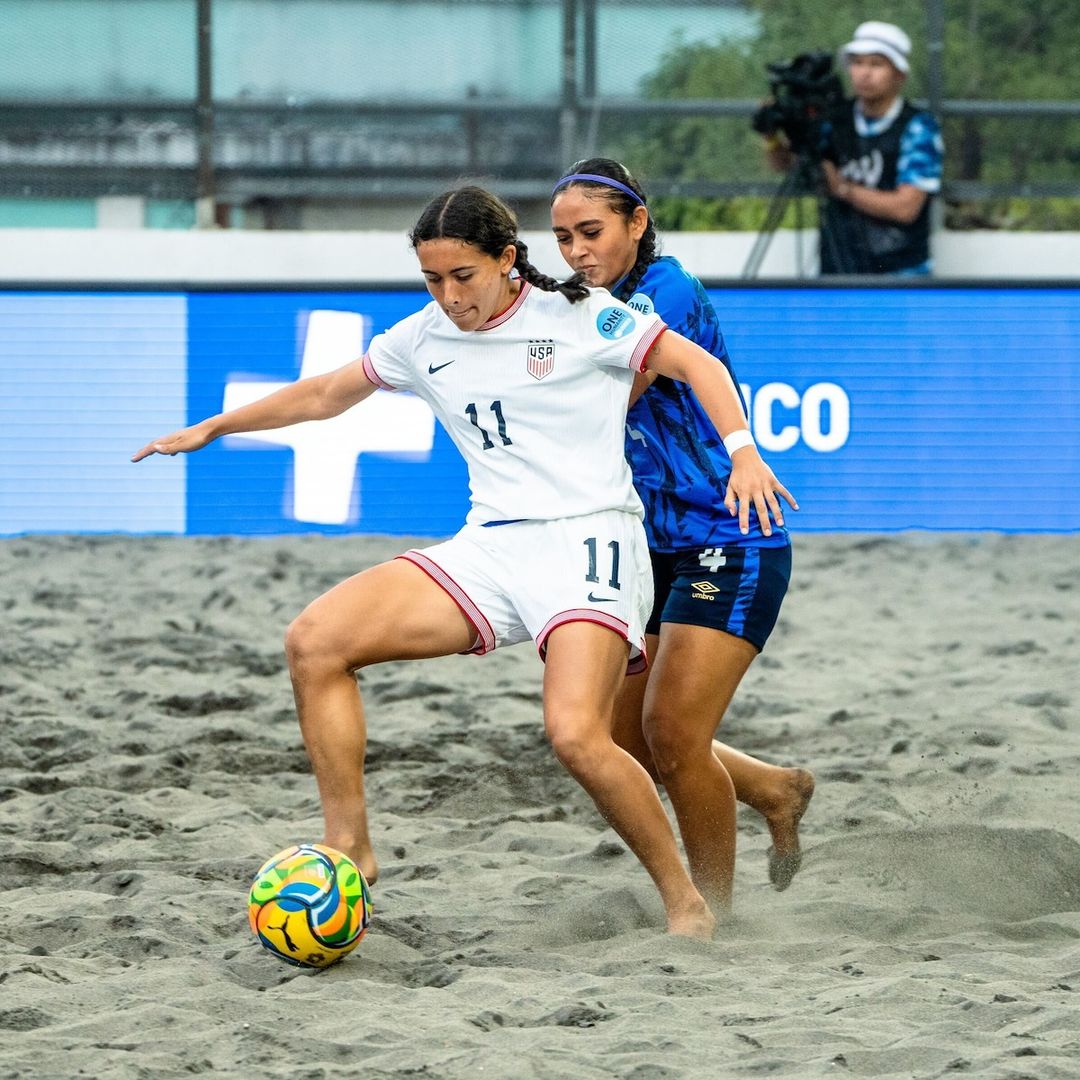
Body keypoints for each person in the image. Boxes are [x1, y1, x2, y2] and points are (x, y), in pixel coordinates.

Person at [133, 185, 797, 937]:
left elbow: (699, 367)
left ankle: (686, 905)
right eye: (433, 280)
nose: (449, 297)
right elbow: (324, 395)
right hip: (492, 544)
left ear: (508, 260)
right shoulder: (422, 337)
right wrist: (216, 426)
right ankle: (351, 844)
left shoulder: (583, 316)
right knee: (315, 642)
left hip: (591, 543)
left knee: (579, 736)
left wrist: (744, 452)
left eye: (464, 277)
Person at [551, 160, 815, 910]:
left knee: (671, 731)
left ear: (637, 223)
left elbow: (613, 387)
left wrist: (742, 450)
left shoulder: (664, 290)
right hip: (648, 545)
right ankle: (773, 787)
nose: (576, 251)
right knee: (625, 739)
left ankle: (712, 915)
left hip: (729, 536)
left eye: (592, 232)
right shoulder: (576, 304)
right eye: (564, 237)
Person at [765, 21, 944, 275]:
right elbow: (790, 165)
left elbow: (906, 208)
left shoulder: (918, 127)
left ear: (899, 75)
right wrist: (772, 135)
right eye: (857, 63)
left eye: (876, 64)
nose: (864, 73)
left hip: (900, 274)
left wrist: (841, 188)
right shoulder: (836, 118)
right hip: (838, 270)